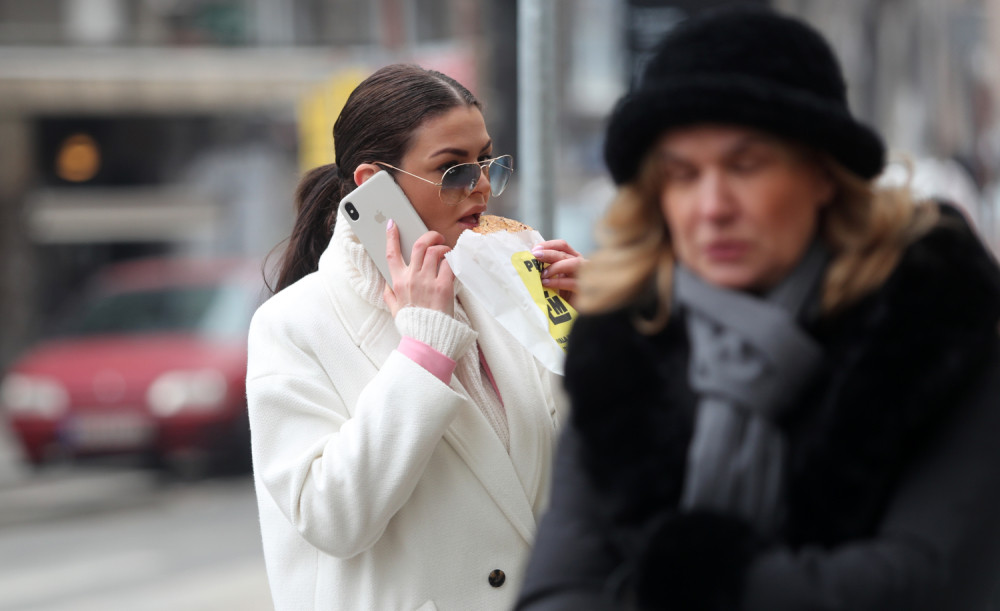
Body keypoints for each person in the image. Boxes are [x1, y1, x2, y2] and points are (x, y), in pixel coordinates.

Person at [516, 6, 1000, 611]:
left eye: (746, 165)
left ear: (825, 175)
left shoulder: (933, 327)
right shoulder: (627, 347)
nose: (712, 206)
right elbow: (557, 590)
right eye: (684, 174)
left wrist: (676, 583)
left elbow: (922, 581)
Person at [246, 64, 583, 610]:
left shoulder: (506, 289)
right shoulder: (294, 323)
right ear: (373, 186)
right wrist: (424, 351)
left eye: (486, 162)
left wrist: (595, 334)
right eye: (451, 170)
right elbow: (329, 517)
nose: (479, 187)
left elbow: (582, 471)